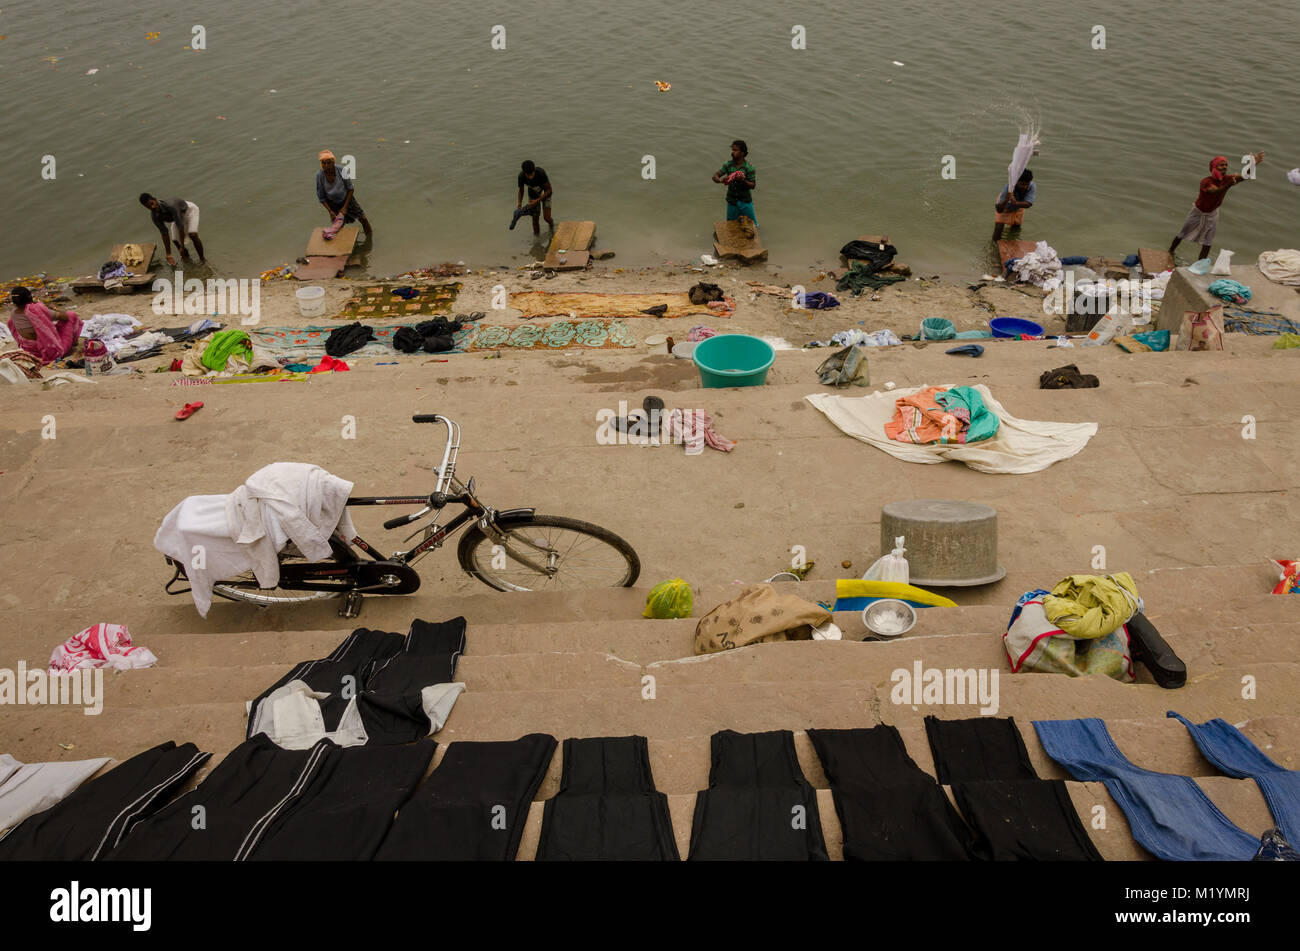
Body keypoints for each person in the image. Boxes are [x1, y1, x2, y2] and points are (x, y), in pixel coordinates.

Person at [1169, 153, 1264, 261]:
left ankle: (1200, 264)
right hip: (1198, 211)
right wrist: (1229, 184)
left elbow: (1244, 176)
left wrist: (1253, 164)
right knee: (1183, 233)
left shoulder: (1227, 179)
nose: (1224, 167)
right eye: (1221, 165)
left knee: (1208, 241)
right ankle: (1170, 252)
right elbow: (1215, 191)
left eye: (1226, 165)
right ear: (1214, 167)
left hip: (1212, 213)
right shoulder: (1206, 181)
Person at [7, 287, 83, 364]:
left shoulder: (13, 313)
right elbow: (65, 317)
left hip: (29, 350)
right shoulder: (35, 309)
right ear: (29, 297)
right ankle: (73, 343)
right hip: (48, 350)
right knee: (71, 315)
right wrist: (53, 308)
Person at [315, 150, 373, 240]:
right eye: (323, 163)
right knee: (338, 225)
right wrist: (330, 211)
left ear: (333, 163)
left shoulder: (342, 170)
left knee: (363, 219)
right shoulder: (319, 175)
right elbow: (321, 197)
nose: (326, 165)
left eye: (328, 163)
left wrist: (345, 207)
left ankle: (369, 239)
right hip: (332, 203)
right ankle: (340, 245)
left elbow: (350, 188)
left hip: (347, 199)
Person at [139, 193, 205, 266]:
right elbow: (164, 233)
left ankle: (202, 260)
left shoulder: (171, 206)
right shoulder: (155, 216)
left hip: (189, 211)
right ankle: (187, 260)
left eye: (152, 203)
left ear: (155, 200)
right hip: (178, 217)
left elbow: (180, 228)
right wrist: (168, 254)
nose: (152, 207)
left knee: (193, 234)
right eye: (149, 207)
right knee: (175, 241)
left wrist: (182, 247)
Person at [712, 140, 756, 231]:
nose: (733, 152)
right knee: (731, 226)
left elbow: (753, 185)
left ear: (742, 153)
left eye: (735, 150)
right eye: (732, 150)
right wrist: (721, 180)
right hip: (732, 201)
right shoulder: (728, 165)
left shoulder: (749, 167)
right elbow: (715, 176)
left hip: (745, 201)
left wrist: (743, 180)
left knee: (753, 225)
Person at [991, 170, 1035, 241]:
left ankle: (1012, 241)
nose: (1025, 187)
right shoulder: (1008, 188)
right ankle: (994, 245)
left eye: (1027, 184)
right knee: (998, 228)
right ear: (1016, 182)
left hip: (1019, 205)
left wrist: (1016, 203)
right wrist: (1006, 200)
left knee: (1016, 227)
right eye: (1022, 184)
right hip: (1005, 205)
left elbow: (1028, 204)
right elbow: (999, 210)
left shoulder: (1031, 186)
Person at [515, 160, 554, 234]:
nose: (530, 177)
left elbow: (549, 190)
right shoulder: (521, 176)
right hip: (533, 194)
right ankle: (537, 238)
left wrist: (537, 201)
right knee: (535, 219)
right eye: (528, 175)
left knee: (547, 218)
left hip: (545, 193)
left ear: (534, 170)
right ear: (524, 173)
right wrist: (519, 204)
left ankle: (552, 229)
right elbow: (521, 191)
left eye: (532, 174)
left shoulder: (541, 173)